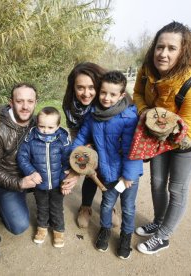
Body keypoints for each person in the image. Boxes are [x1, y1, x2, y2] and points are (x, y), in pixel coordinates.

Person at [133, 21, 191, 255]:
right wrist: (145, 112)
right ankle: (158, 220)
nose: (163, 54)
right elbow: (137, 94)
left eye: (171, 48)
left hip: (188, 138)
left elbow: (185, 127)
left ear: (183, 51)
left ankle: (163, 236)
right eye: (159, 46)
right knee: (156, 183)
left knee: (176, 188)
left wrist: (161, 127)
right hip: (158, 133)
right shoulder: (146, 69)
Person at [71, 71, 143, 259]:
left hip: (127, 176)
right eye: (103, 92)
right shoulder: (93, 115)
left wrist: (129, 175)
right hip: (107, 173)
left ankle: (126, 236)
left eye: (112, 94)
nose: (106, 98)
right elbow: (81, 137)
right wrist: (73, 154)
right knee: (106, 204)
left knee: (127, 207)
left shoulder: (128, 118)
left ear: (121, 95)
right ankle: (105, 230)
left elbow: (133, 149)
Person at [62, 62, 120, 229]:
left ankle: (109, 207)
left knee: (109, 176)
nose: (86, 93)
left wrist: (77, 168)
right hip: (85, 141)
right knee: (89, 173)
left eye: (91, 87)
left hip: (111, 146)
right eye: (80, 88)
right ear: (73, 87)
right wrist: (78, 161)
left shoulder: (110, 103)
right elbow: (75, 136)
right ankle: (85, 207)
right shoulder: (70, 106)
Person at [17, 107, 71, 248]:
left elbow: (67, 162)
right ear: (36, 124)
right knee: (41, 206)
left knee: (56, 207)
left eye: (50, 127)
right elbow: (22, 158)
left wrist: (64, 181)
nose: (45, 130)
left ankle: (58, 229)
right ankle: (42, 227)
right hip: (39, 183)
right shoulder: (31, 139)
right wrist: (31, 172)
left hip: (57, 183)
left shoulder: (62, 140)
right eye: (41, 126)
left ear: (58, 126)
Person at [0, 83, 38, 235]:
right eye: (20, 101)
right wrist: (19, 183)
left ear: (35, 102)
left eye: (30, 101)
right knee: (19, 226)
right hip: (7, 180)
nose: (25, 106)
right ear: (11, 102)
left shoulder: (39, 123)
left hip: (32, 174)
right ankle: (6, 206)